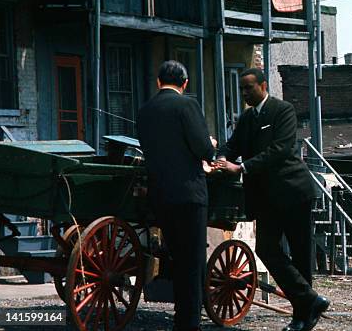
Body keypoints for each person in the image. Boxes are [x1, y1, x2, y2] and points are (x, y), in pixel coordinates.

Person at [215, 68, 330, 331]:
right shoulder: (247, 118)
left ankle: (303, 316)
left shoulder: (283, 110)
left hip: (292, 192)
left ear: (263, 86)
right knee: (266, 248)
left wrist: (242, 168)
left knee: (300, 256)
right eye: (242, 89)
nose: (244, 93)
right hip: (266, 198)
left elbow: (280, 149)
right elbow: (232, 145)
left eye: (249, 88)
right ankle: (311, 301)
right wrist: (221, 158)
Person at [137, 60, 215, 331]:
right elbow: (204, 150)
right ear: (185, 83)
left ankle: (182, 320)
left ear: (159, 82)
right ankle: (188, 324)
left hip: (160, 195)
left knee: (177, 259)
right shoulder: (187, 105)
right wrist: (211, 144)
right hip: (189, 195)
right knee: (193, 264)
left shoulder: (145, 110)